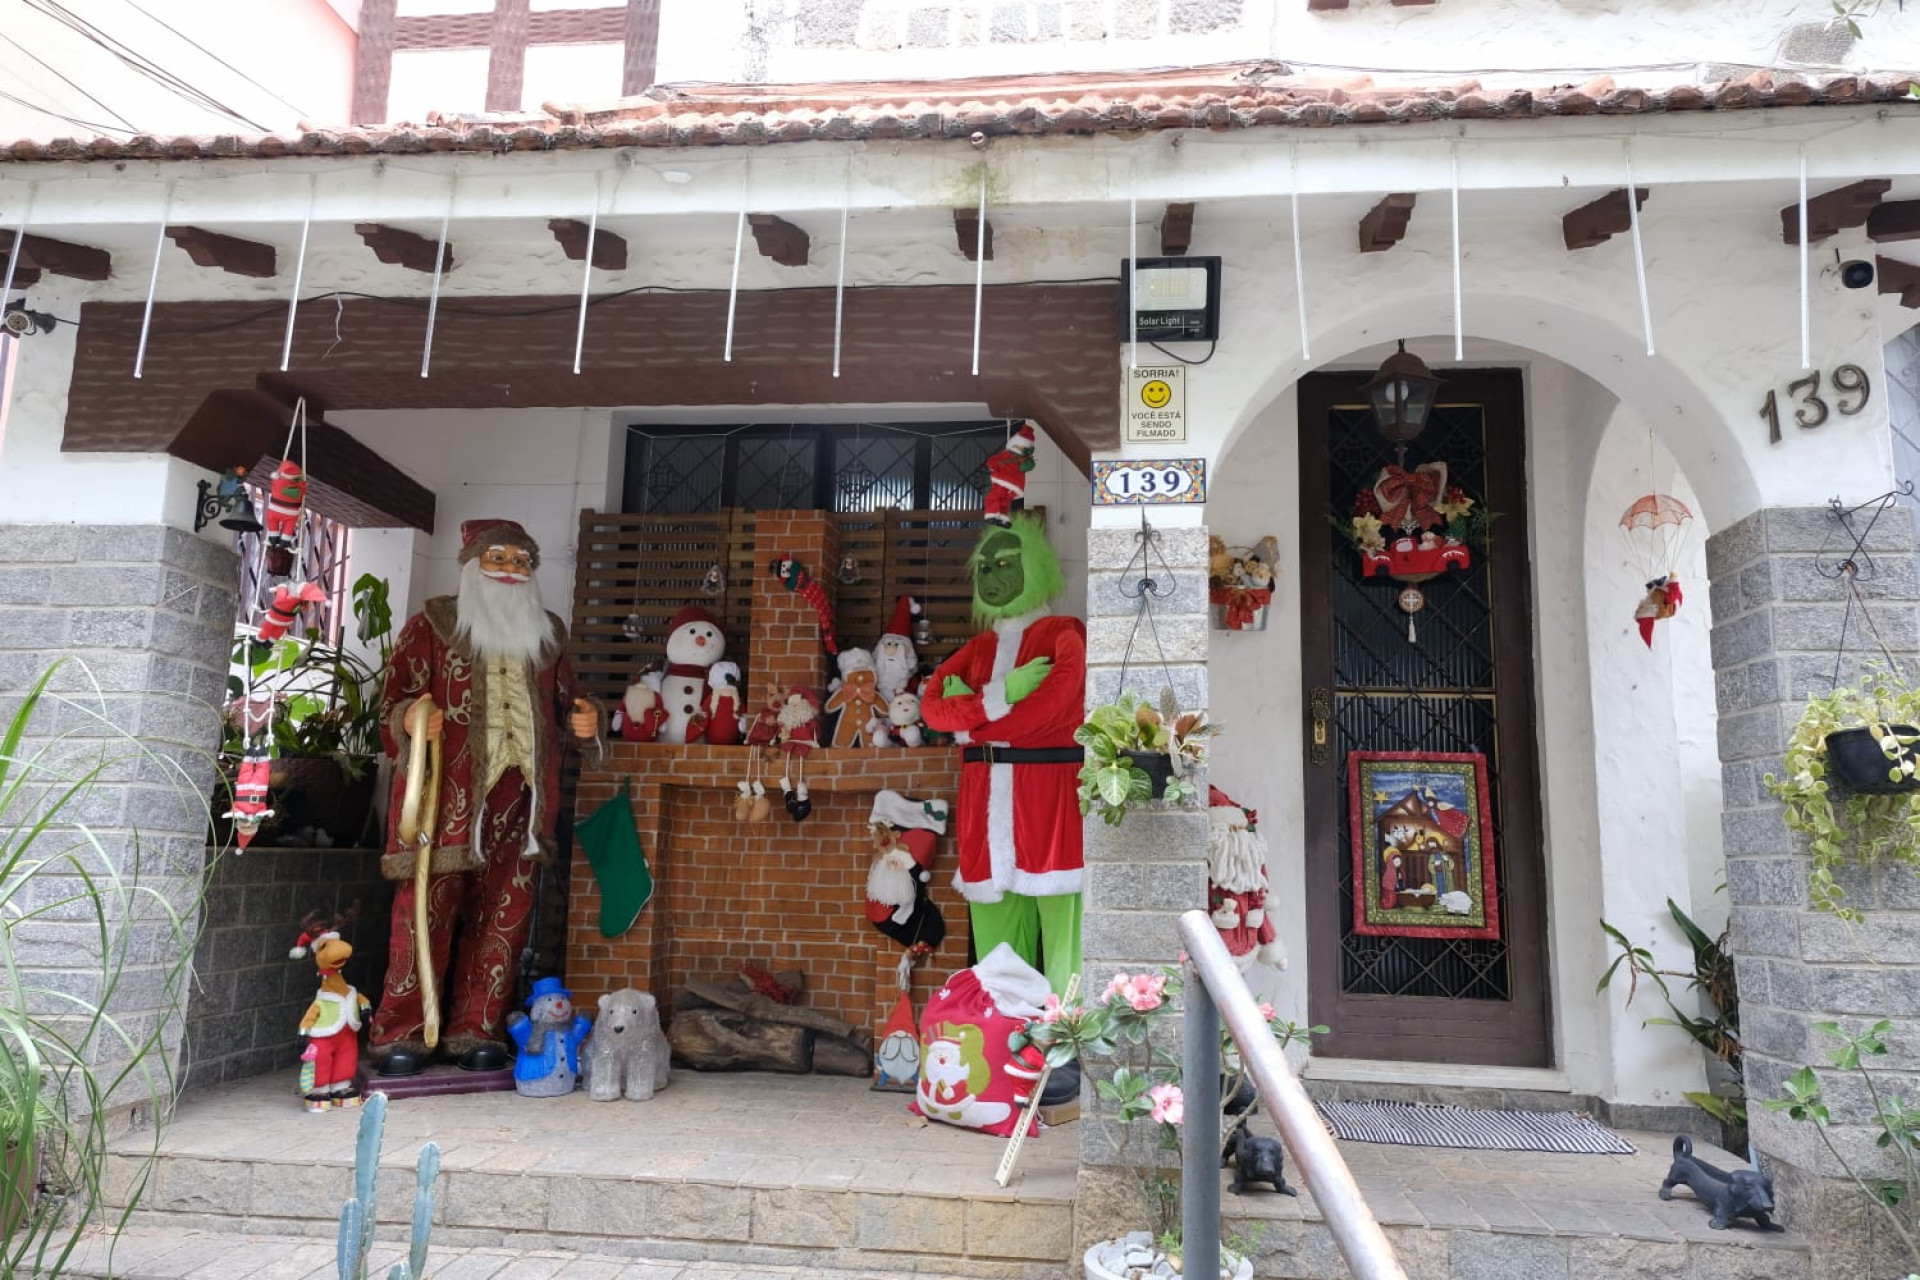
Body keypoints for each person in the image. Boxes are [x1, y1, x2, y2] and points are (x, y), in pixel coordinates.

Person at [368, 519, 600, 1076]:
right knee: (424, 912)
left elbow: (568, 705)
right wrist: (409, 718)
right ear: (472, 562)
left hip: (521, 801)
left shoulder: (548, 637)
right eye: (498, 557)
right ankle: (401, 1029)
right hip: (444, 799)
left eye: (523, 561)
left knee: (505, 915)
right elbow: (391, 705)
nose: (511, 569)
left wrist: (588, 721)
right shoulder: (432, 625)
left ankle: (476, 1027)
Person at [921, 424, 1086, 999]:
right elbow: (931, 709)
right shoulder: (978, 649)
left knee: (1064, 930)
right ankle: (999, 1034)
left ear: (1036, 564)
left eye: (1006, 561)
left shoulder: (1066, 634)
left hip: (1048, 795)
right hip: (983, 799)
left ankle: (1071, 1038)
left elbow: (1048, 714)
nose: (994, 575)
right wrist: (1000, 694)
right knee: (995, 934)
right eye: (984, 569)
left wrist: (975, 721)